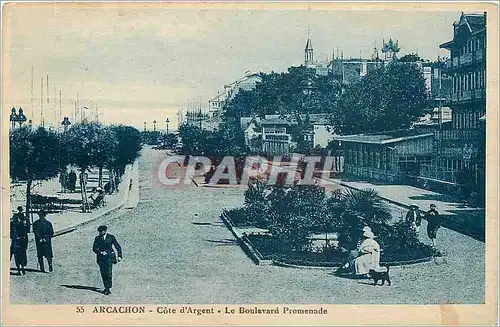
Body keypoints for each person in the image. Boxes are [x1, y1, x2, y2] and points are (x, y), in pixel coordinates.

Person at [92, 225, 122, 295]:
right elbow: (94, 248)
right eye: (99, 232)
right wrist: (100, 252)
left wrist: (119, 256)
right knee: (103, 273)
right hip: (101, 258)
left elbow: (117, 246)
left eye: (101, 231)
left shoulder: (111, 237)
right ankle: (106, 287)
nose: (99, 233)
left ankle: (108, 288)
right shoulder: (97, 238)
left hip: (109, 257)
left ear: (105, 231)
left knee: (108, 272)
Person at [10, 206, 30, 275]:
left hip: (18, 241)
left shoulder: (16, 224)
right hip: (20, 241)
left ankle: (21, 269)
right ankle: (21, 269)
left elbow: (27, 232)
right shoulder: (17, 224)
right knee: (20, 255)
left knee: (18, 256)